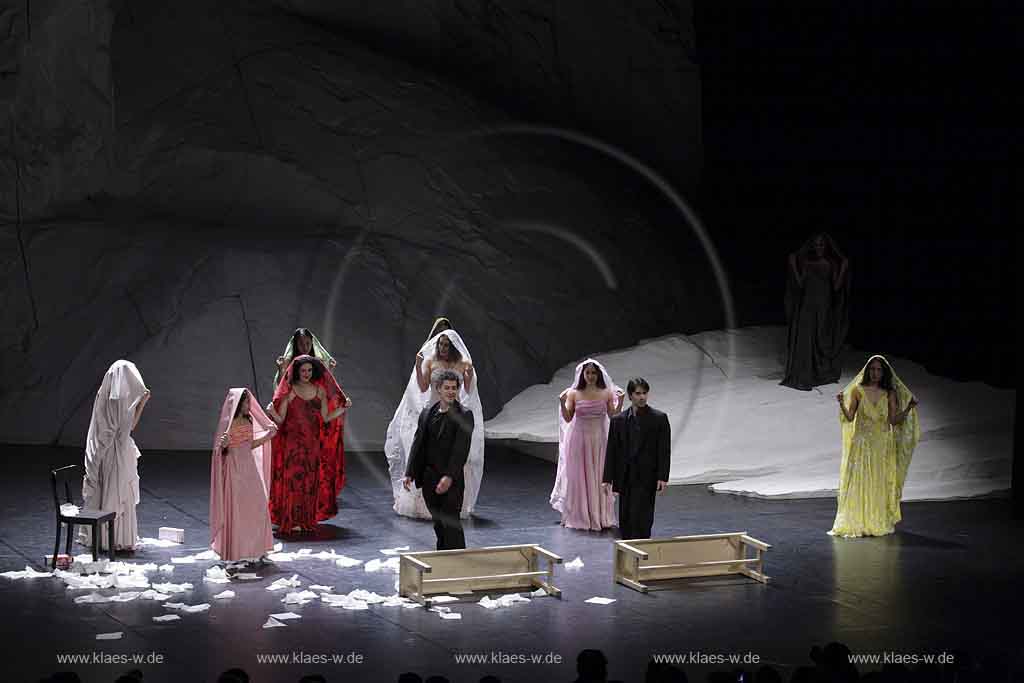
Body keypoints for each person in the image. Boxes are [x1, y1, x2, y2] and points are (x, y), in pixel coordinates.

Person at [385, 327, 484, 519]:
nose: (444, 347)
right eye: (441, 344)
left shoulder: (461, 362)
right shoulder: (431, 362)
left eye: (447, 344)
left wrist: (469, 374)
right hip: (433, 408)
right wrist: (418, 364)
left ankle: (451, 499)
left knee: (454, 453)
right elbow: (422, 387)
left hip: (453, 412)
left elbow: (469, 388)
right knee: (426, 450)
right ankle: (424, 502)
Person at [830, 355, 920, 537]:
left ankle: (874, 519)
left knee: (877, 481)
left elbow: (893, 421)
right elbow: (850, 417)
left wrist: (909, 408)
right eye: (872, 369)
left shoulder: (889, 394)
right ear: (867, 370)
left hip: (880, 445)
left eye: (879, 370)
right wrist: (841, 403)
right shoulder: (858, 390)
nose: (875, 373)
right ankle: (856, 520)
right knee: (860, 480)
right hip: (861, 443)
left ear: (883, 372)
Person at [266, 355, 350, 532]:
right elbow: (281, 419)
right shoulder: (291, 390)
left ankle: (305, 519)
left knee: (309, 480)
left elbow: (326, 417)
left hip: (312, 442)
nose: (306, 373)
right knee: (292, 480)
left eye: (309, 370)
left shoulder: (320, 391)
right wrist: (272, 411)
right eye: (303, 370)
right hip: (292, 442)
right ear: (297, 371)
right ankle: (291, 519)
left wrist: (343, 408)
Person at [80, 360, 151, 551]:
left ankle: (113, 538)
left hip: (120, 452)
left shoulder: (119, 399)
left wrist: (141, 403)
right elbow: (109, 432)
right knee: (115, 493)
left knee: (117, 493)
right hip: (115, 454)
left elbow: (124, 429)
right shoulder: (113, 400)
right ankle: (110, 538)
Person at [403, 370, 474, 550]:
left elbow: (461, 450)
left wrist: (449, 477)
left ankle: (458, 564)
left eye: (454, 388)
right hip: (429, 478)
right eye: (447, 388)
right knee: (438, 523)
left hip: (451, 481)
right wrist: (409, 473)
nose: (451, 391)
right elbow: (418, 443)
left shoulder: (464, 415)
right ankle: (443, 560)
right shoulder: (428, 413)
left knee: (451, 523)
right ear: (438, 390)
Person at [551, 359, 624, 530]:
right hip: (579, 439)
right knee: (579, 476)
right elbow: (568, 418)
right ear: (582, 375)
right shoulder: (574, 393)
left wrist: (620, 401)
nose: (590, 376)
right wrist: (562, 402)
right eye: (588, 373)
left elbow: (613, 415)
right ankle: (580, 515)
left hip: (599, 439)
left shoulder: (606, 392)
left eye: (593, 373)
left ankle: (599, 516)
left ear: (598, 374)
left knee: (599, 475)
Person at [210, 389, 277, 564]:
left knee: (258, 504)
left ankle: (255, 547)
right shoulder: (228, 424)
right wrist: (223, 446)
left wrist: (268, 436)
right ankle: (238, 549)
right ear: (238, 404)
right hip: (235, 469)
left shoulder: (248, 421)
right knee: (237, 508)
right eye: (247, 403)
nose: (250, 406)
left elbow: (250, 444)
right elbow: (220, 451)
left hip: (249, 468)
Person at [602, 378, 671, 540]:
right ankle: (627, 549)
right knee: (626, 515)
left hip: (648, 474)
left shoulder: (659, 418)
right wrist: (607, 477)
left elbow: (664, 449)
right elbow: (612, 450)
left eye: (645, 393)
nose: (642, 397)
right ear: (631, 396)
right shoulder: (618, 421)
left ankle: (642, 547)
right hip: (626, 474)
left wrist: (662, 476)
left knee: (644, 516)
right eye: (638, 393)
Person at [781, 233, 850, 390]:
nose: (819, 247)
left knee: (820, 337)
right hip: (808, 305)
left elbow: (836, 287)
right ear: (812, 246)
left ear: (826, 247)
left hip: (823, 306)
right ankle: (805, 373)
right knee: (806, 339)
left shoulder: (830, 264)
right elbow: (799, 284)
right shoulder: (807, 263)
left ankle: (820, 371)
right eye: (816, 244)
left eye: (822, 245)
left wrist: (843, 269)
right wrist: (792, 265)